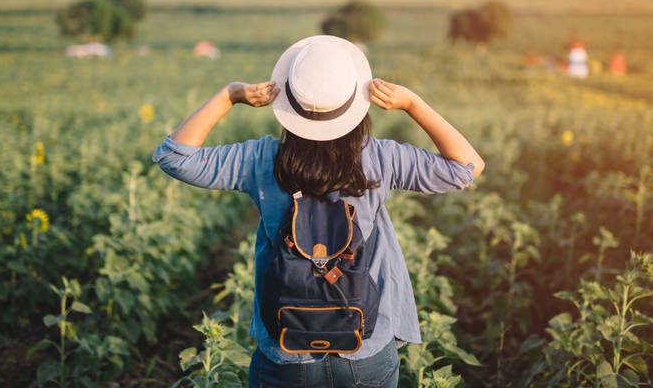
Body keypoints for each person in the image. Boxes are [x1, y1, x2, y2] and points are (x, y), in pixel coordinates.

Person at [152, 35, 484, 388]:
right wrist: (413, 104)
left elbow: (173, 156)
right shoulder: (379, 158)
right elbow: (467, 166)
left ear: (288, 104)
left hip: (286, 351)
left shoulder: (260, 160)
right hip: (365, 348)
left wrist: (229, 95)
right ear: (355, 101)